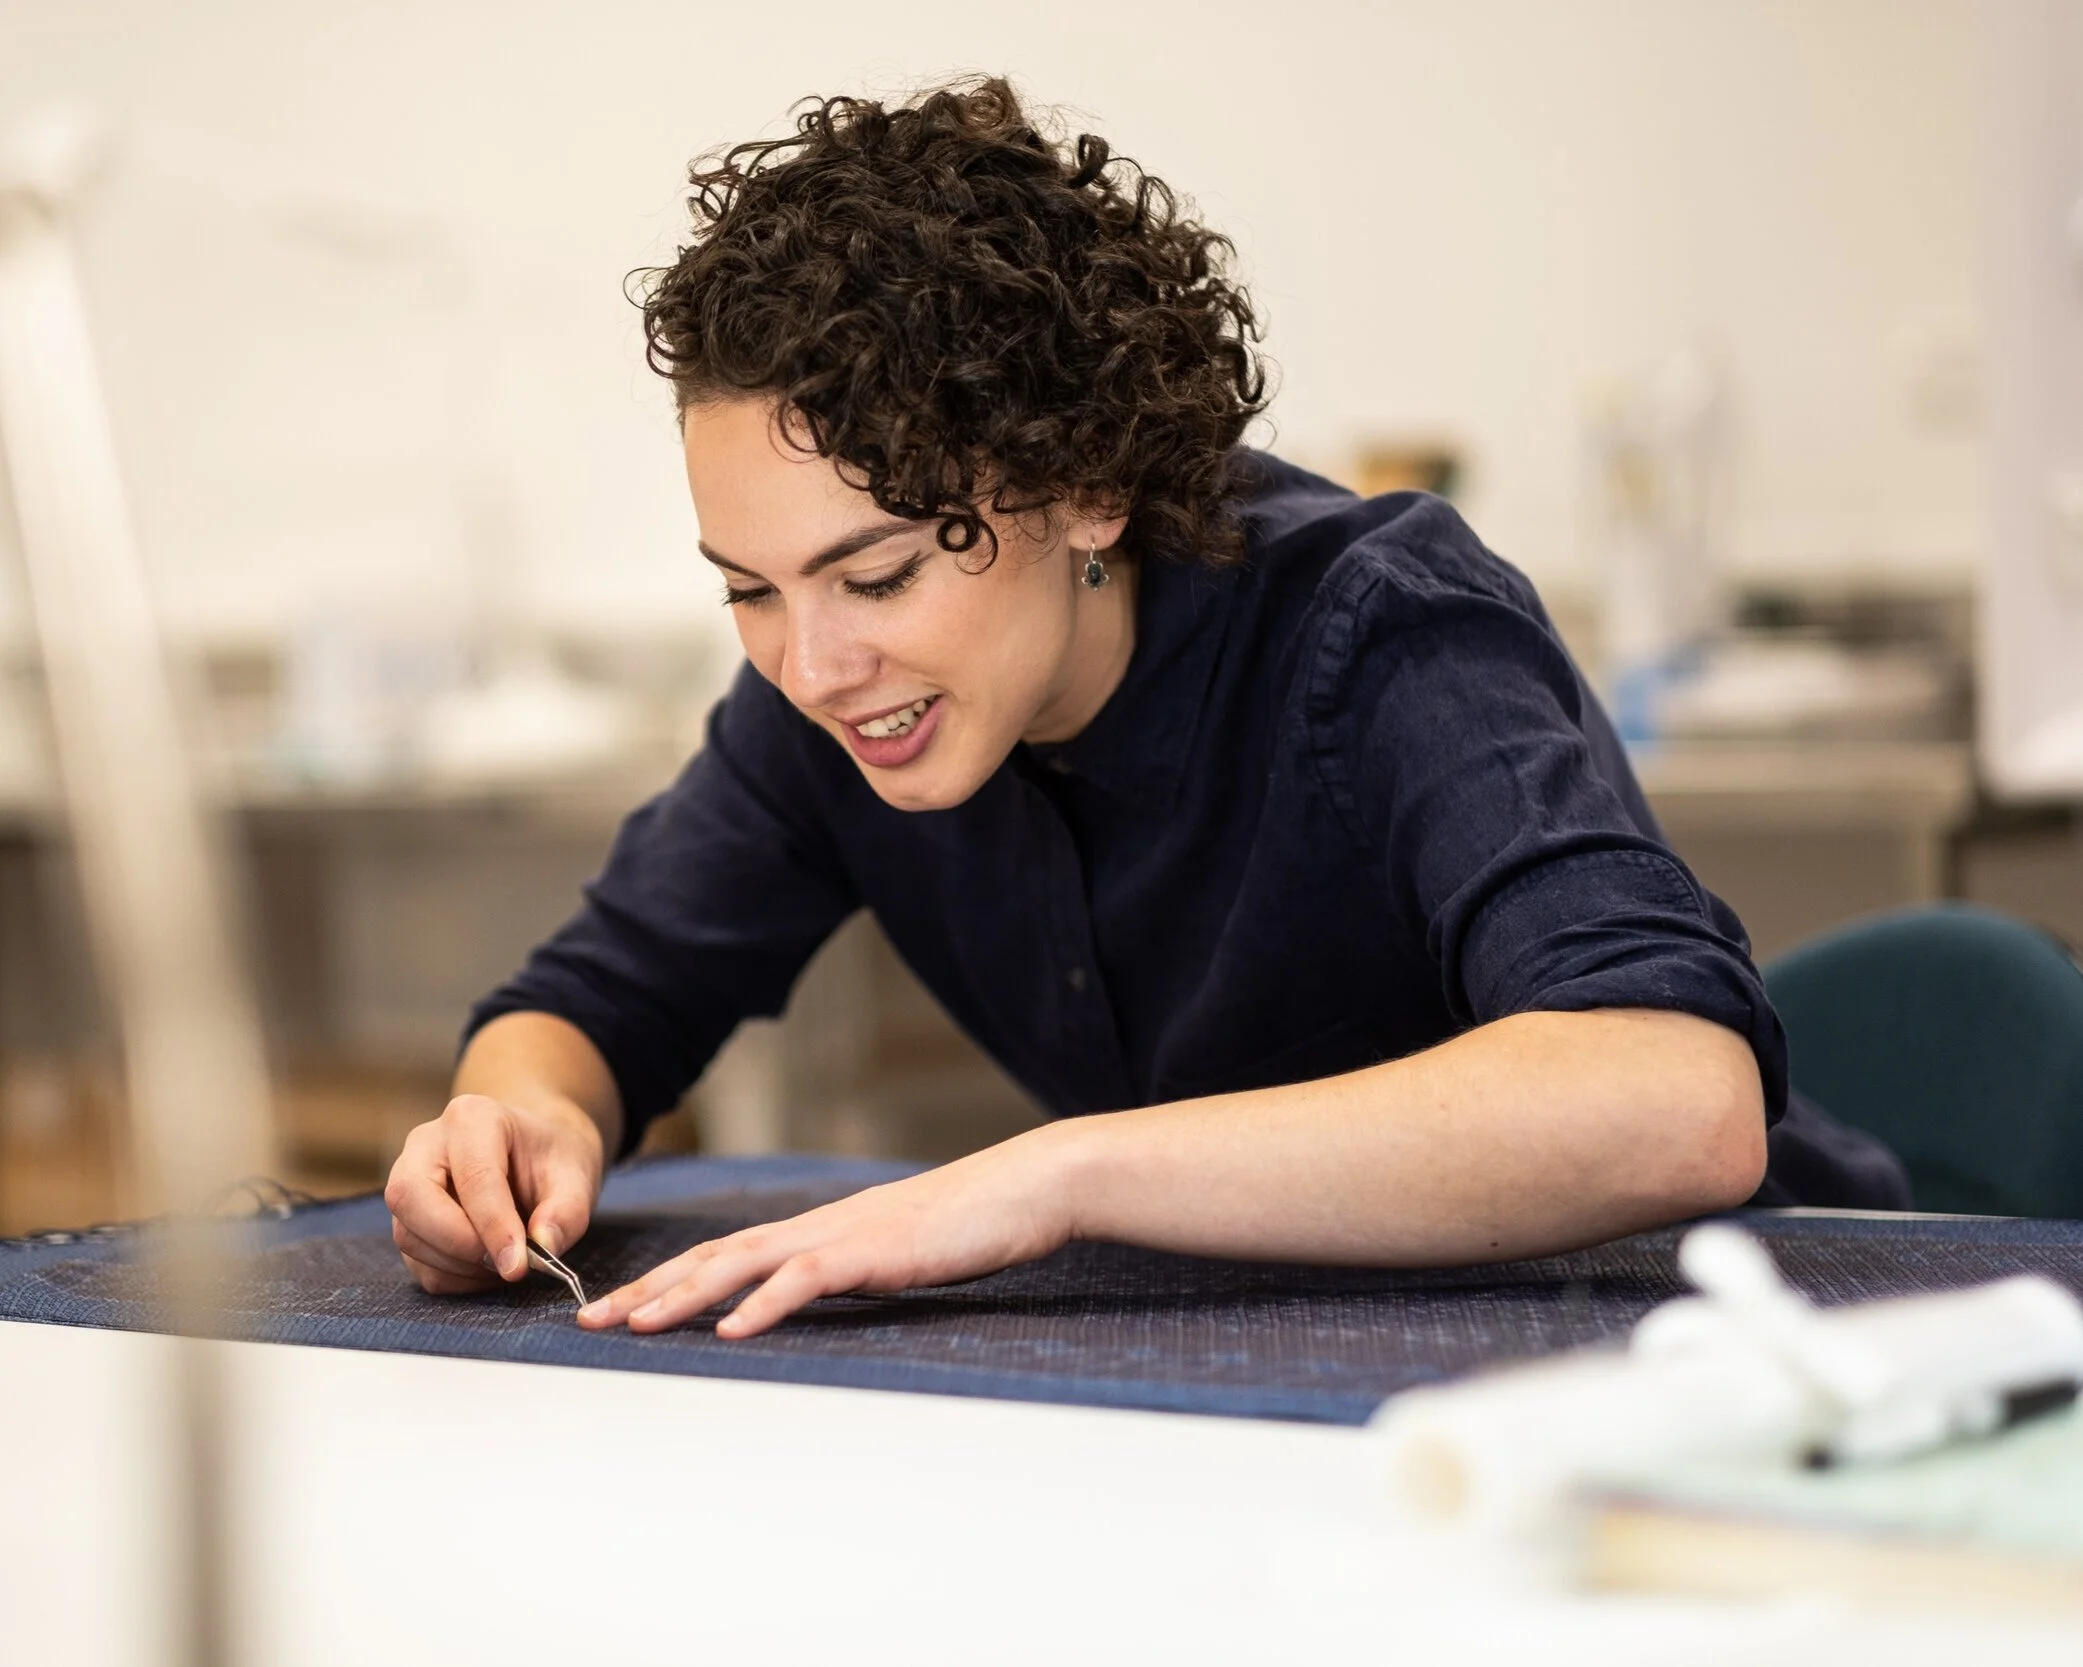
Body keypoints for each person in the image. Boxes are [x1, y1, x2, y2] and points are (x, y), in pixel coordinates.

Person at [383, 77, 1909, 1341]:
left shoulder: (1378, 632)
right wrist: (517, 1119)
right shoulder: (833, 693)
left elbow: (1672, 1096)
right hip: (1313, 1369)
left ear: (1085, 486)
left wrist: (1052, 1178)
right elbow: (598, 1000)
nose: (811, 663)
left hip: (1746, 1343)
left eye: (879, 573)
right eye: (748, 587)